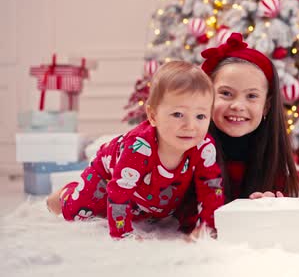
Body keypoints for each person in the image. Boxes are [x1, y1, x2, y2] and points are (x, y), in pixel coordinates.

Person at [46, 61, 225, 239]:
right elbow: (119, 191)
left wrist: (207, 228)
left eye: (200, 116)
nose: (190, 126)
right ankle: (66, 193)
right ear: (153, 116)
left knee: (157, 215)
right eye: (178, 114)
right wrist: (123, 233)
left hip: (148, 192)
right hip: (108, 175)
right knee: (78, 212)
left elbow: (211, 187)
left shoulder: (204, 146)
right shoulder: (139, 148)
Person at [200, 32, 299, 200]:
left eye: (251, 96)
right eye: (226, 93)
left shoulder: (272, 160)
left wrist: (270, 206)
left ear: (266, 106)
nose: (238, 106)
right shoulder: (190, 149)